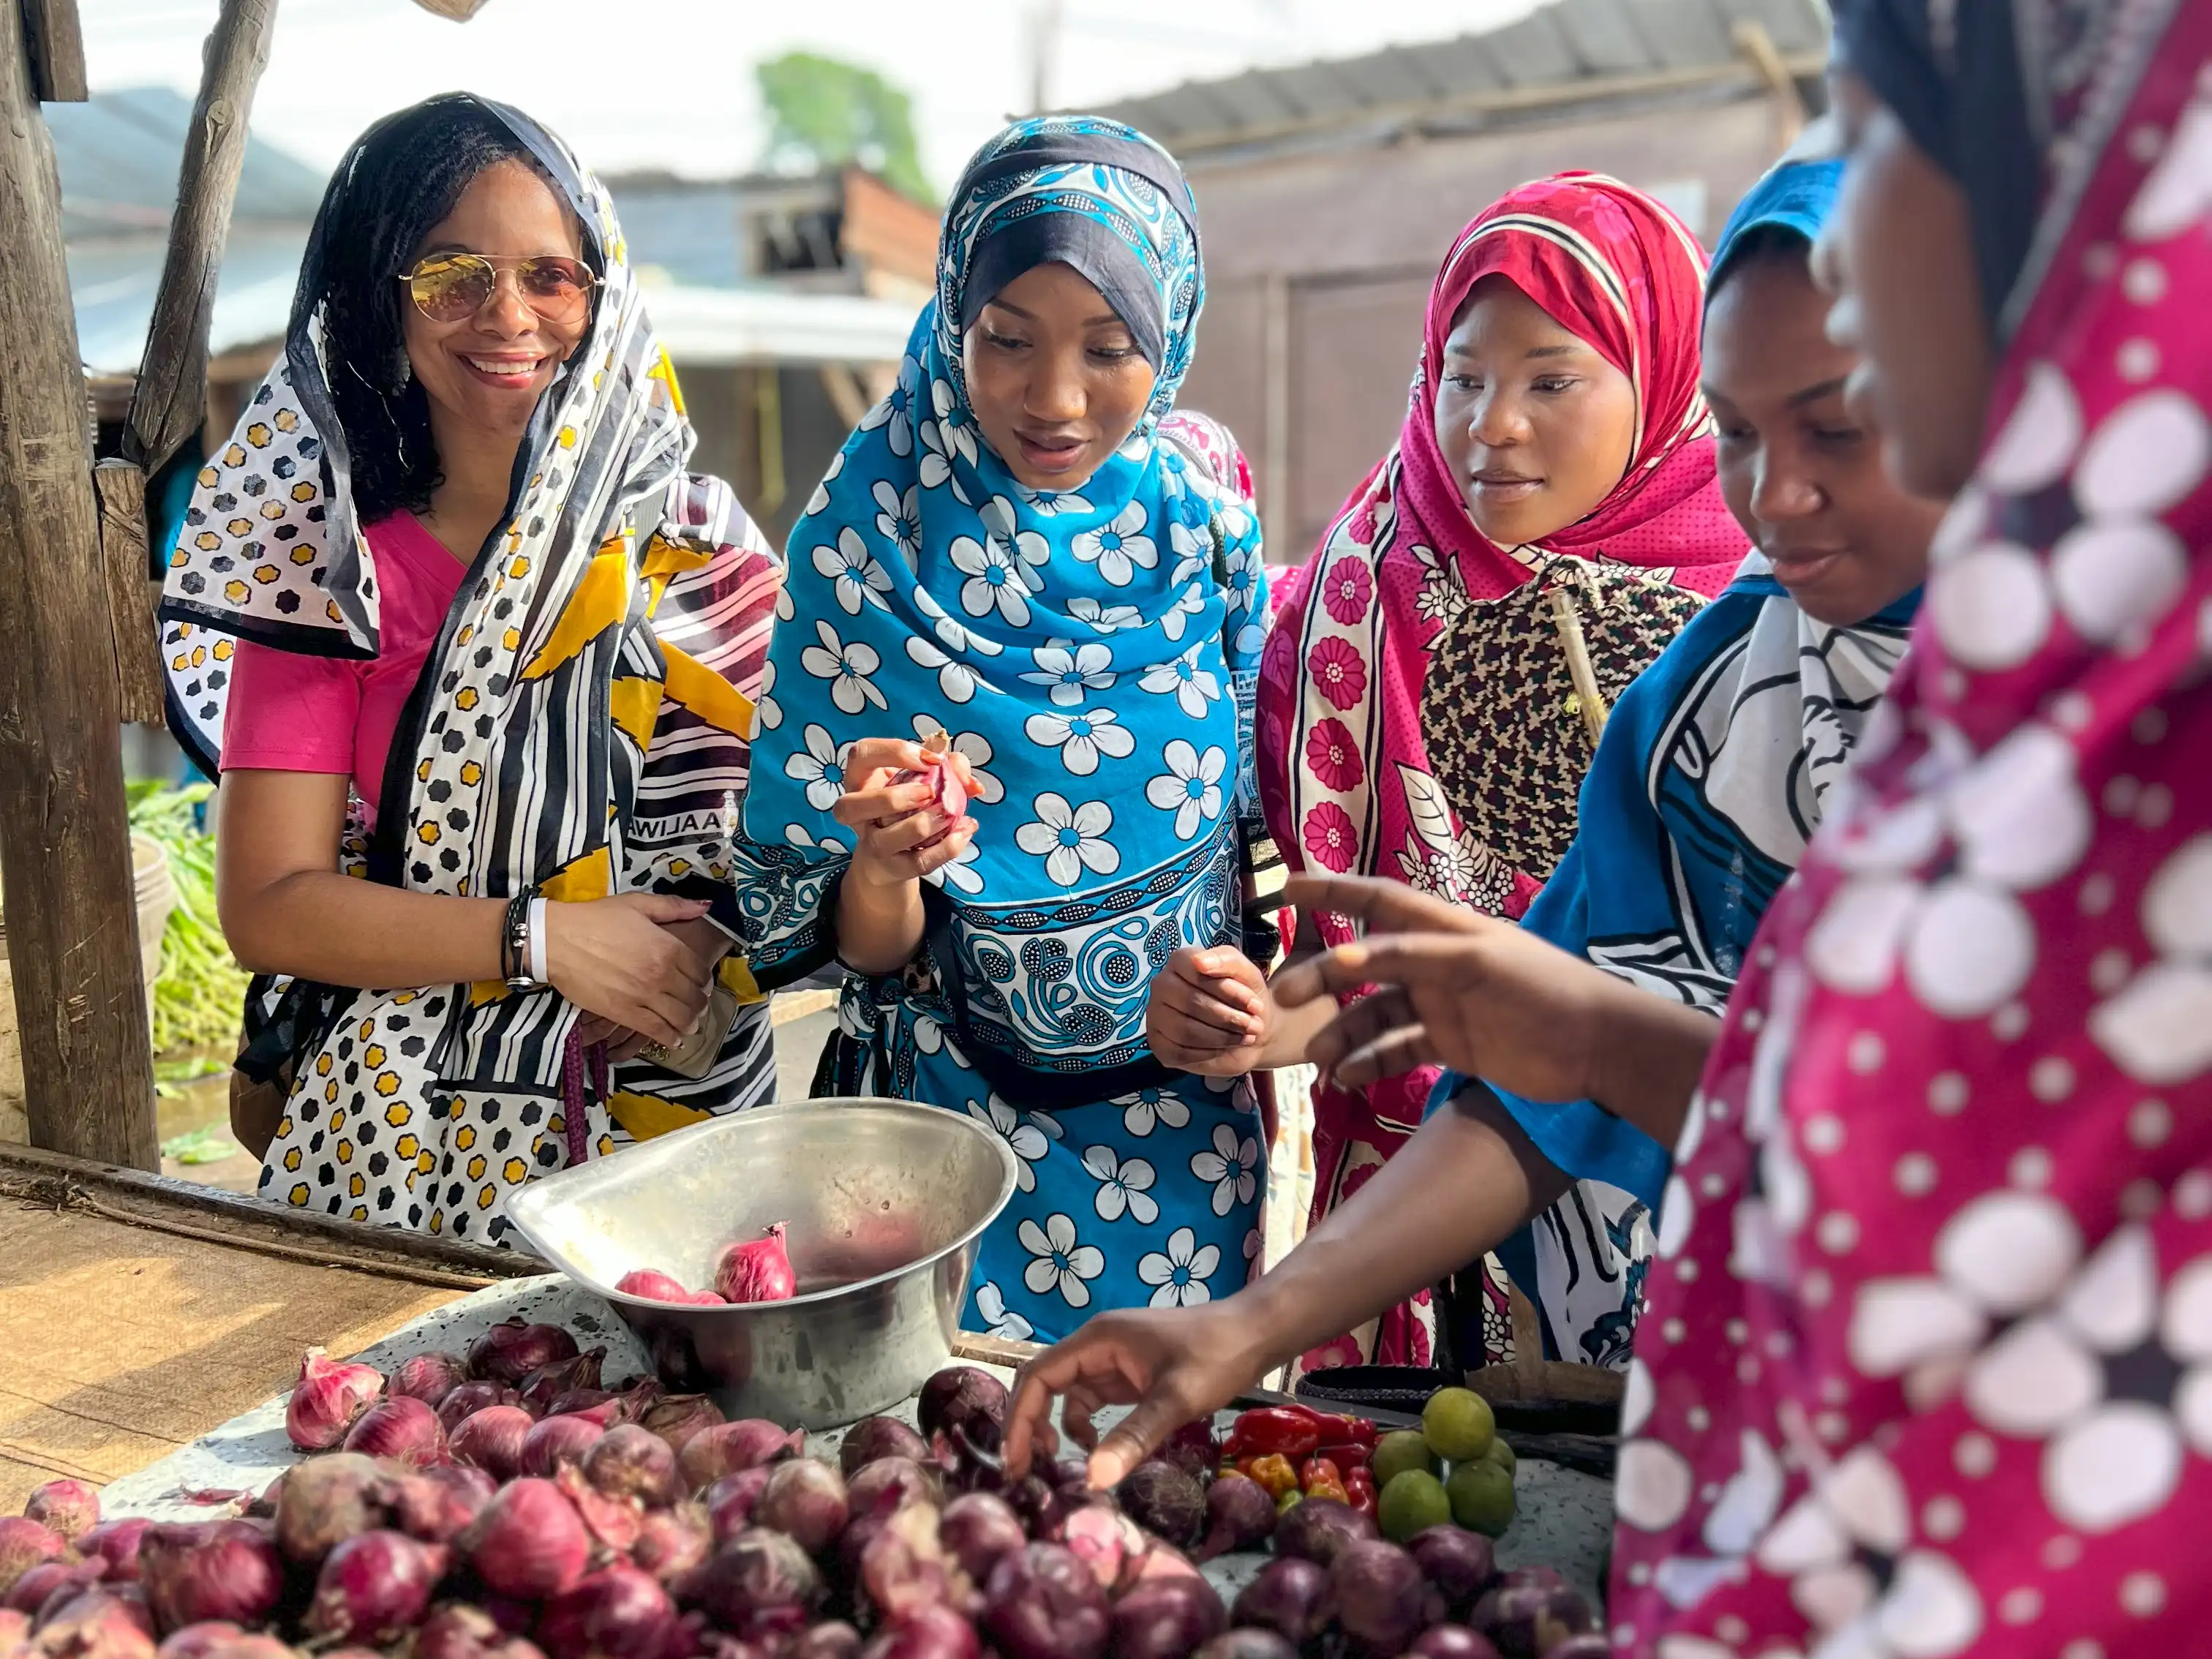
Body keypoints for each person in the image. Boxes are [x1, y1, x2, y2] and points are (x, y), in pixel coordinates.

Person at [1012, 1, 2212, 1652]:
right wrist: (1257, 1321)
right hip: (1709, 1459)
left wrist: (1606, 1047)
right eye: (1735, 434)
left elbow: (1973, 1184)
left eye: (1837, 430)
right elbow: (1528, 1079)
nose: (1774, 497)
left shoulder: (2123, 737)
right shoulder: (1724, 700)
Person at [1147, 173, 1750, 1374]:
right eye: (1465, 378)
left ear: (1669, 378)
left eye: (1550, 380)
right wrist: (1245, 1022)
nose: (1494, 425)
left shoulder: (1761, 633)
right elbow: (1360, 986)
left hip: (1682, 1242)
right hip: (1400, 1245)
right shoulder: (1357, 601)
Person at [158, 96, 780, 1244]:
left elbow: (784, 839)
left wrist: (708, 944)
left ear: (603, 290)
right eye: (451, 274)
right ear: (380, 298)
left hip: (676, 1111)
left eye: (552, 275)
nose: (509, 316)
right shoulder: (328, 568)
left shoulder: (702, 546)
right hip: (406, 1139)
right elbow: (269, 905)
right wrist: (542, 941)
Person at [733, 118, 1272, 1345]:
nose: (1057, 400)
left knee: (1169, 1494)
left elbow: (1255, 834)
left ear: (1173, 336)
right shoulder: (870, 538)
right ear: (951, 319)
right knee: (950, 1490)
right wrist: (881, 858)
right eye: (1007, 341)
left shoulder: (1207, 520)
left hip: (1190, 1148)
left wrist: (1251, 1004)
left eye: (1111, 347)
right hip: (948, 1154)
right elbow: (857, 950)